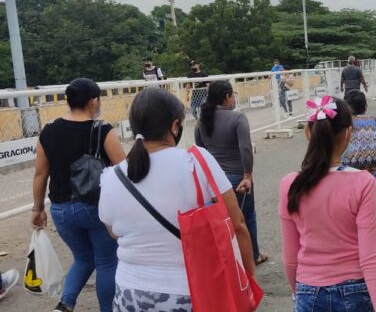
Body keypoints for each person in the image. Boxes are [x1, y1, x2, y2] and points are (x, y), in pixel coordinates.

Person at [99, 87, 256, 312]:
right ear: (174, 126)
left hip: (129, 294)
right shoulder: (197, 161)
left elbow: (114, 232)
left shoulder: (111, 177)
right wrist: (248, 277)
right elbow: (237, 223)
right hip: (190, 292)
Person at [279, 95, 376, 312]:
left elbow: (290, 258)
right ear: (348, 133)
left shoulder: (290, 184)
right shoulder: (363, 182)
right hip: (354, 290)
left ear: (308, 133)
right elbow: (370, 257)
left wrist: (297, 292)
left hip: (308, 288)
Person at [32, 78, 126, 312]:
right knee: (106, 262)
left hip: (60, 211)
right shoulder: (103, 130)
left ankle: (65, 305)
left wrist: (37, 209)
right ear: (94, 102)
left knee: (83, 258)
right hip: (95, 208)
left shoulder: (48, 131)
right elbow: (123, 171)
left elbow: (40, 174)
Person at [195, 80, 268, 266]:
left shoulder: (202, 121)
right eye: (232, 95)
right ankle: (253, 255)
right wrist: (248, 175)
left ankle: (228, 257)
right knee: (246, 218)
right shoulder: (237, 118)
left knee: (221, 220)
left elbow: (200, 151)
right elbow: (245, 148)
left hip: (213, 181)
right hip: (237, 179)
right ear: (228, 97)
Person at [341, 90, 376, 233]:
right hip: (373, 180)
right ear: (365, 106)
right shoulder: (375, 121)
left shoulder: (341, 124)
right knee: (372, 221)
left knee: (348, 222)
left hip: (346, 180)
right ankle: (371, 244)